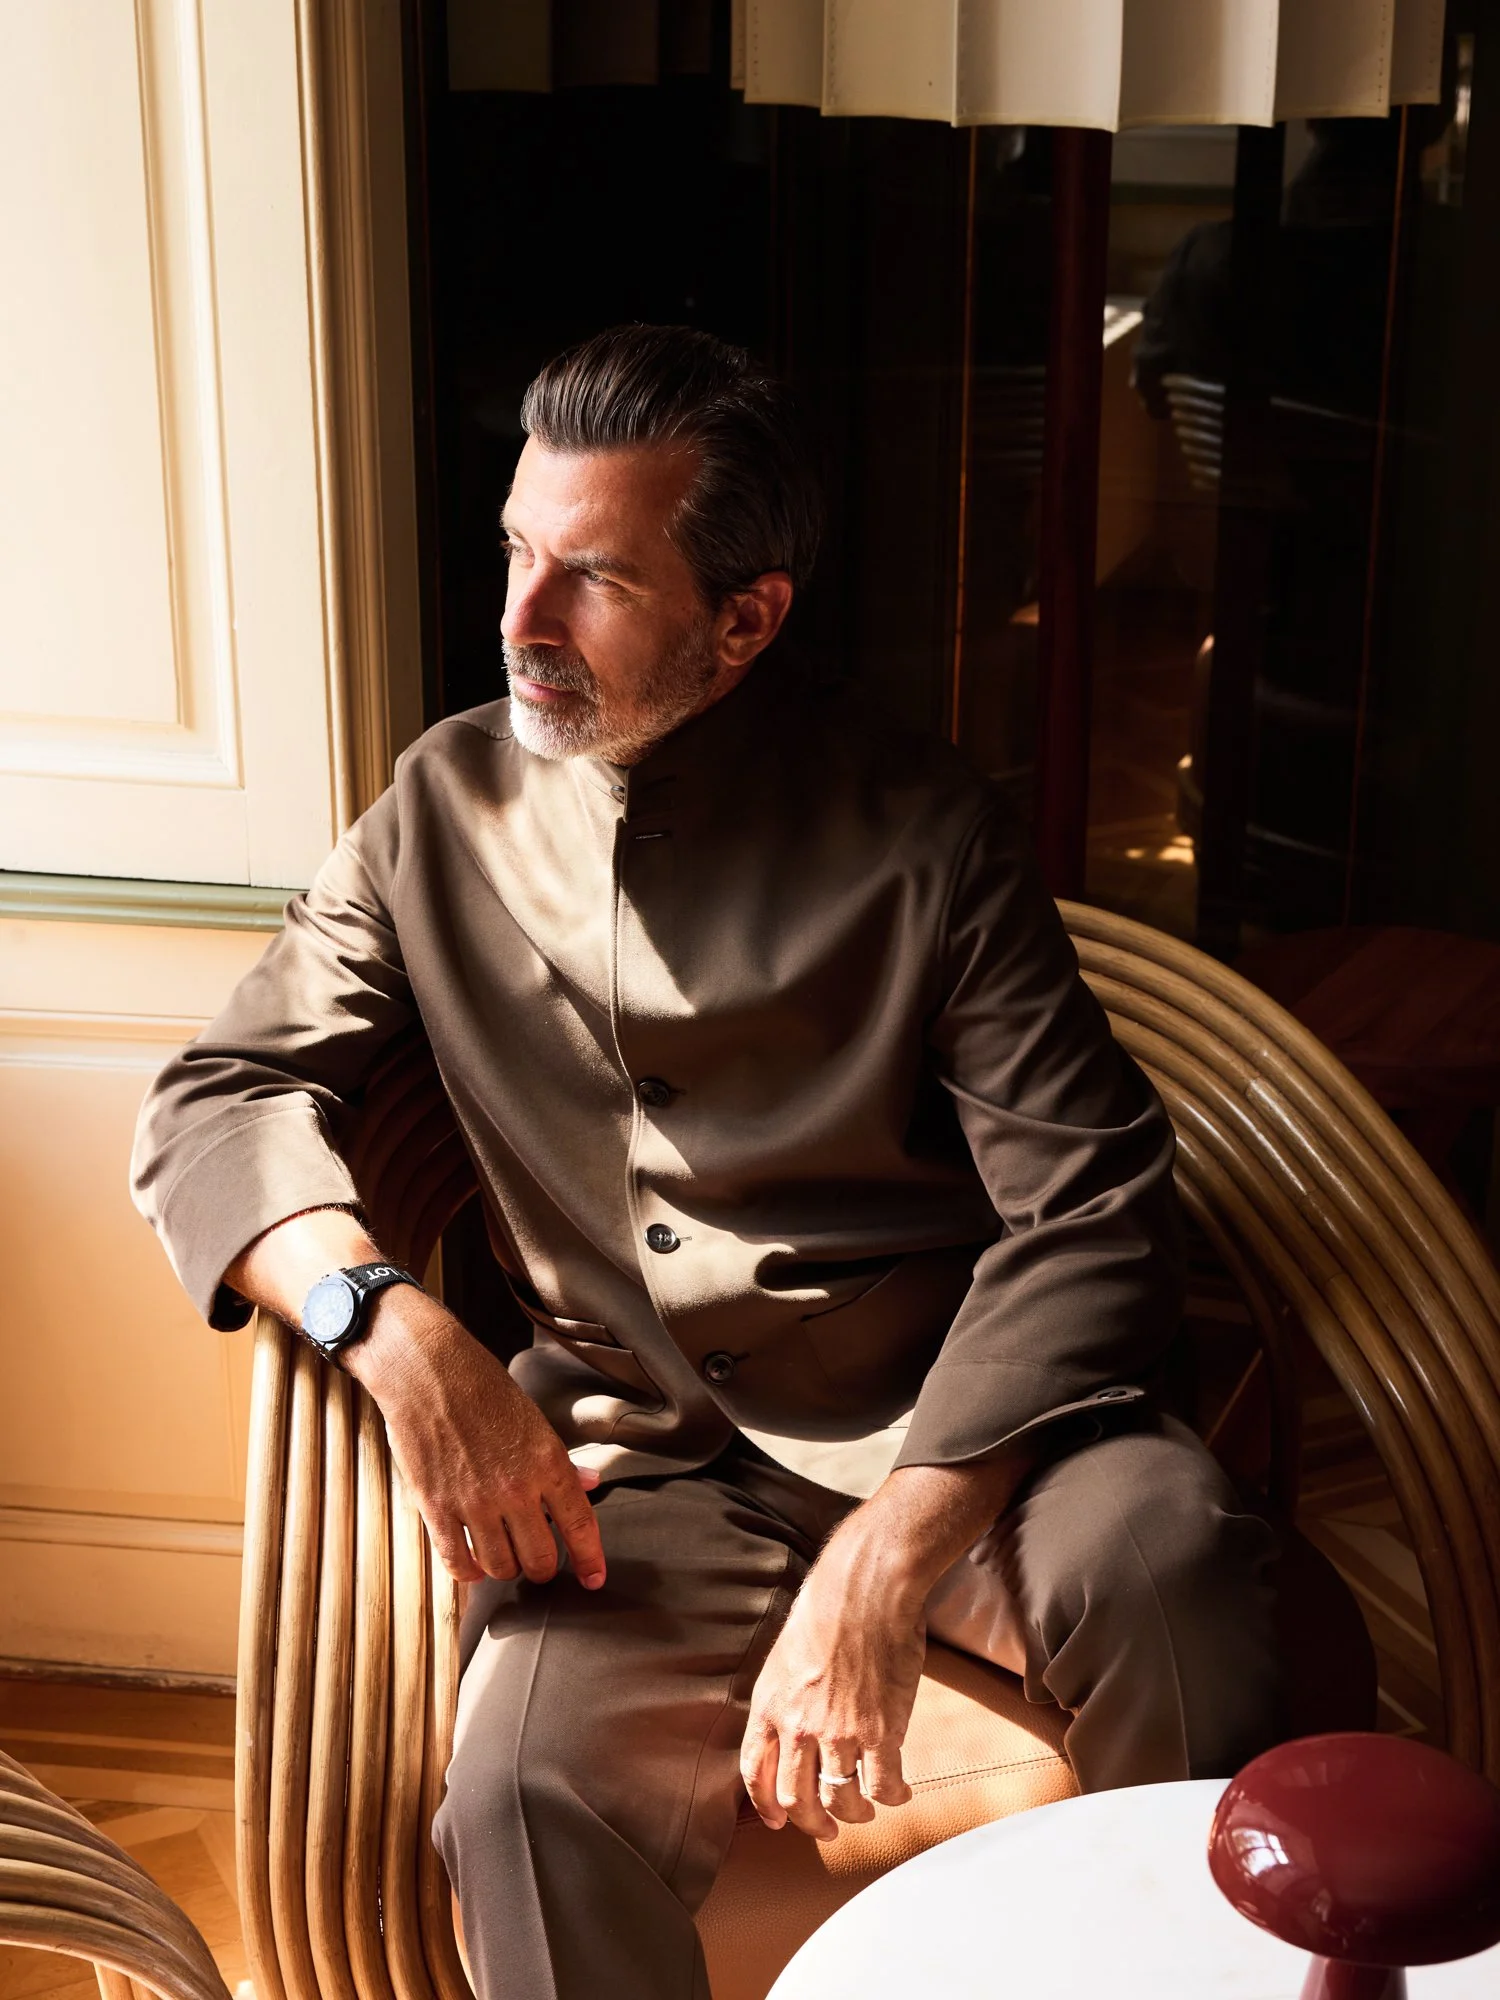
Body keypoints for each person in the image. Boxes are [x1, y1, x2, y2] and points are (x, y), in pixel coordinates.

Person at [132, 324, 1279, 2000]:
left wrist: (891, 1549)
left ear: (745, 620)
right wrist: (393, 1326)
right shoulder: (438, 808)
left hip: (969, 1431)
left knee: (1175, 1568)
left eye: (593, 577)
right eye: (517, 549)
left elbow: (1095, 1205)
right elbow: (217, 1093)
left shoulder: (924, 833)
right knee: (523, 1795)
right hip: (644, 1465)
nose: (521, 618)